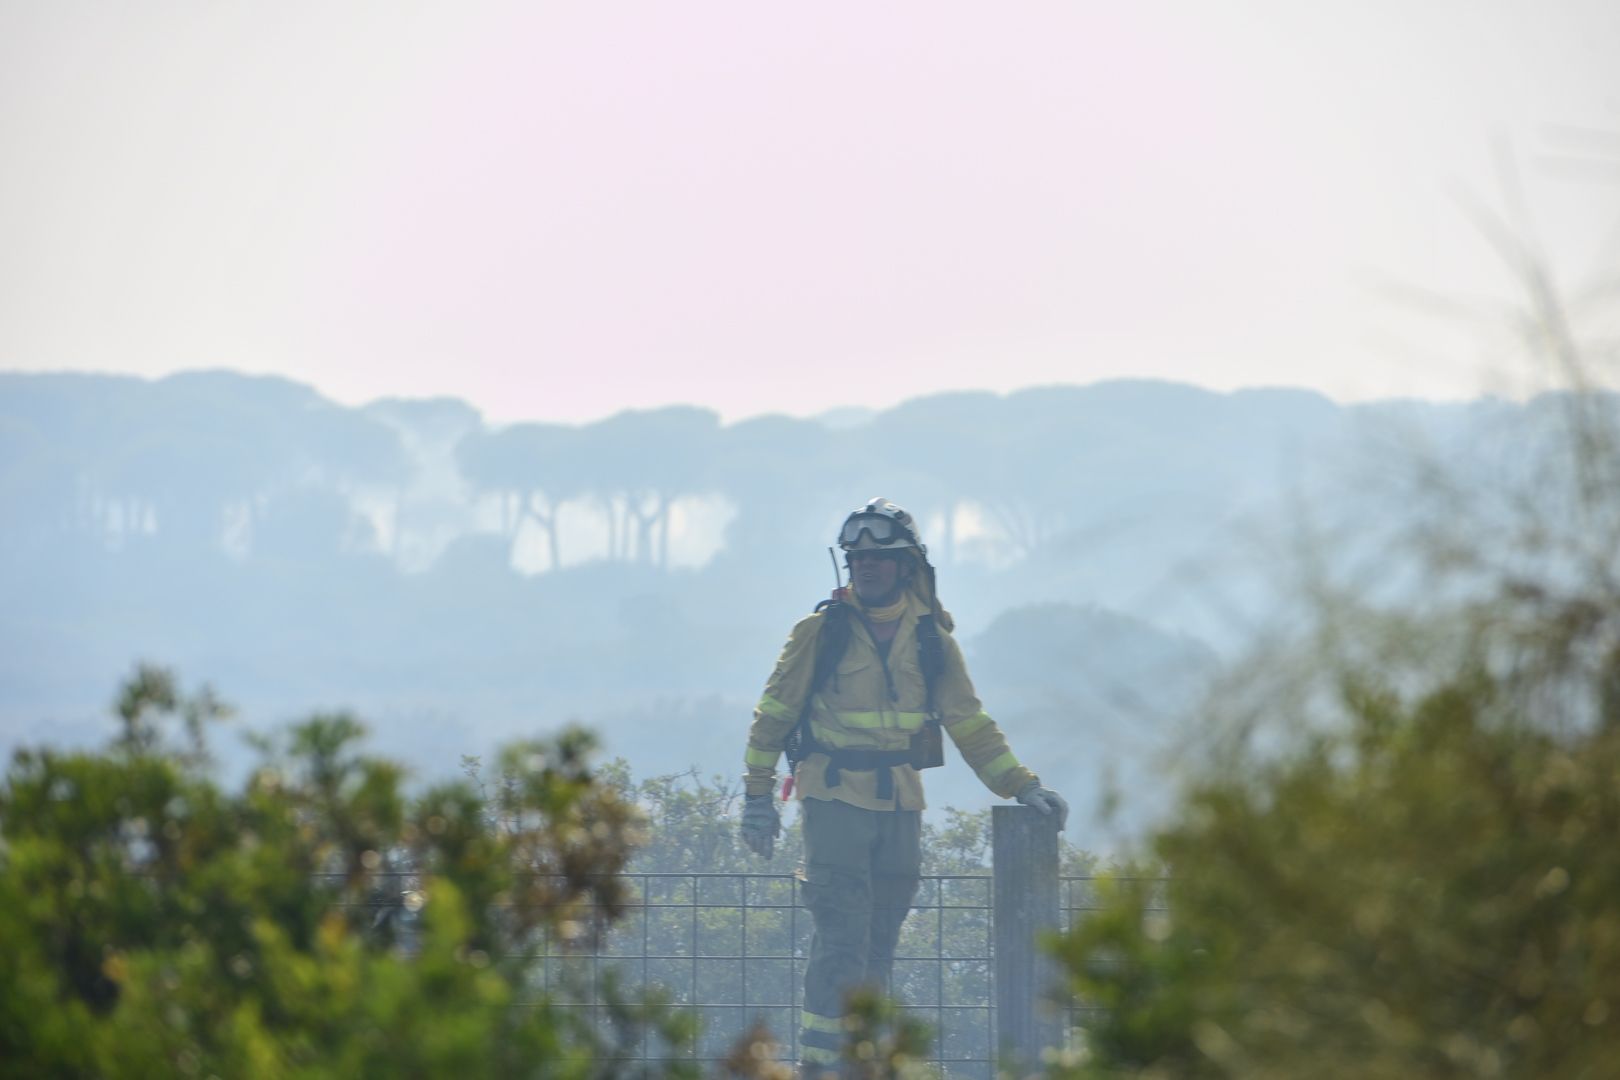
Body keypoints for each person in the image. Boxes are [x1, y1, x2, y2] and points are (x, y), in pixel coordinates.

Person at [739, 497, 1068, 1076]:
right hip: (834, 799)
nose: (865, 566)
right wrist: (758, 799)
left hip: (900, 807)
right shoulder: (820, 632)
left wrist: (1023, 787)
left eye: (879, 557)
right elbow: (771, 717)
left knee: (878, 950)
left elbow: (969, 723)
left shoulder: (931, 639)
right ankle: (822, 1067)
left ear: (907, 565)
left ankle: (864, 1062)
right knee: (841, 941)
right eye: (856, 558)